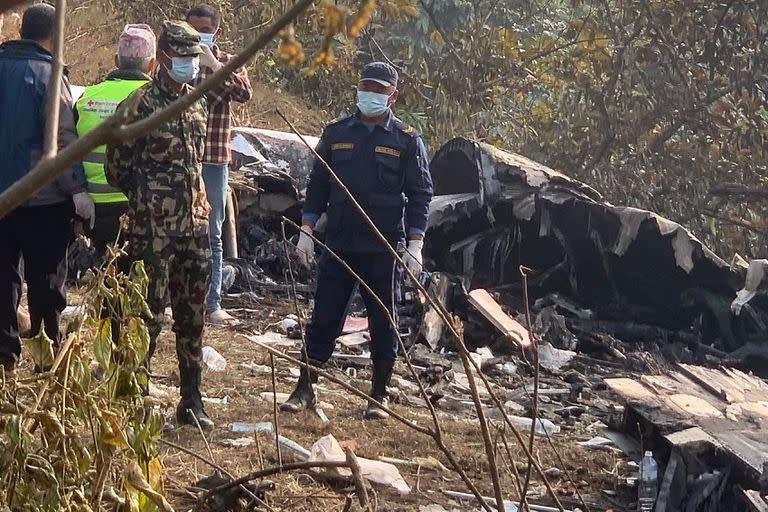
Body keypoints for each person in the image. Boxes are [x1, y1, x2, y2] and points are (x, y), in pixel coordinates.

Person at [281, 62, 433, 420]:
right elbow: (318, 184)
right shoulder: (336, 133)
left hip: (383, 247)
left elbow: (421, 194)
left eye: (379, 91)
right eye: (367, 87)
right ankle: (305, 388)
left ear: (393, 96)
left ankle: (378, 394)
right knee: (324, 318)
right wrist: (306, 230)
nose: (371, 95)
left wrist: (416, 245)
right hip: (339, 244)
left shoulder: (406, 140)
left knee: (383, 321)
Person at [105, 21, 213, 429]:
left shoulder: (198, 102)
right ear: (163, 58)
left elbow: (197, 162)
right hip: (152, 230)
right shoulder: (139, 105)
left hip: (194, 226)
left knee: (193, 316)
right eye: (182, 58)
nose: (189, 65)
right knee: (147, 315)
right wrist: (148, 197)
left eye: (193, 58)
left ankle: (192, 400)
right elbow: (117, 167)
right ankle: (137, 400)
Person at [0, 3, 94, 372]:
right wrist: (79, 192)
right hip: (42, 200)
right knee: (46, 283)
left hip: (3, 201)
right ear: (54, 35)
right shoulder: (49, 74)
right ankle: (47, 357)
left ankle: (4, 357)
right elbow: (62, 139)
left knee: (3, 281)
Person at [186, 4, 252, 326]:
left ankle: (212, 304)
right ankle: (179, 300)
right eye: (192, 29)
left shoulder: (228, 62)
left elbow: (243, 92)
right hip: (181, 158)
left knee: (212, 232)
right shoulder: (177, 61)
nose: (198, 36)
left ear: (217, 32)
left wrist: (213, 64)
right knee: (178, 230)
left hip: (213, 160)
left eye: (204, 30)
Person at [75, 24, 156, 257]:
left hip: (92, 207)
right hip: (137, 206)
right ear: (152, 65)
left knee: (106, 275)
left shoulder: (86, 97)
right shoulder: (156, 101)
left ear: (116, 60)